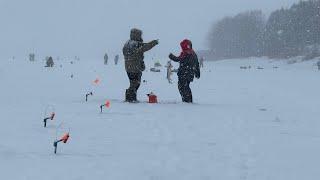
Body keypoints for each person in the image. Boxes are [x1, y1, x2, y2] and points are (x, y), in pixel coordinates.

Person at [122, 28, 159, 102]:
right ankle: (131, 99)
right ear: (136, 35)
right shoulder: (134, 44)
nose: (141, 36)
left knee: (133, 83)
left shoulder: (129, 42)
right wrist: (153, 43)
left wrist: (150, 43)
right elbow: (143, 48)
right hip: (134, 67)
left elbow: (142, 45)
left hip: (129, 67)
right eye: (140, 35)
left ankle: (130, 97)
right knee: (135, 83)